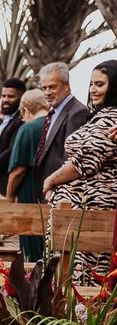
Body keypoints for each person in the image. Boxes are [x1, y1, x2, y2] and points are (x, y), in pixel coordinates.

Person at [44, 60, 117, 285]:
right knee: (73, 269)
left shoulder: (111, 118)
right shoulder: (99, 115)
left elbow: (84, 163)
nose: (93, 90)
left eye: (100, 84)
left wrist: (50, 181)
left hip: (95, 206)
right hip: (78, 210)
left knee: (89, 271)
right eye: (91, 84)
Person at [33, 62, 89, 202]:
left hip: (60, 194)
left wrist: (55, 187)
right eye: (44, 88)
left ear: (66, 86)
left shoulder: (78, 113)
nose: (47, 92)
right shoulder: (54, 112)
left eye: (52, 87)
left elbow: (71, 159)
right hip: (48, 192)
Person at [6, 89, 50, 261]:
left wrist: (9, 197)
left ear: (25, 109)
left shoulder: (28, 129)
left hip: (30, 197)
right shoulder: (56, 124)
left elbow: (18, 170)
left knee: (33, 253)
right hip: (52, 196)